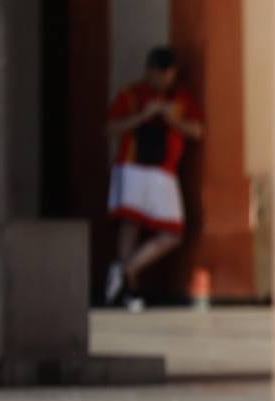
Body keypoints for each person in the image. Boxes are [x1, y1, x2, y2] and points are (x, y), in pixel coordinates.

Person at [103, 46, 204, 312]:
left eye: (169, 74)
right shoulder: (131, 94)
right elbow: (111, 127)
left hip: (165, 172)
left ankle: (123, 270)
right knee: (130, 226)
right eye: (160, 74)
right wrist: (143, 116)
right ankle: (128, 292)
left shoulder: (181, 99)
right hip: (132, 167)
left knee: (172, 233)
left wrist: (171, 119)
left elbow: (196, 130)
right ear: (149, 71)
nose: (164, 80)